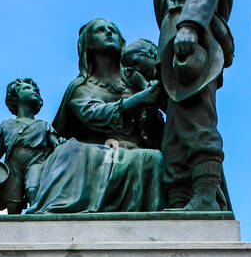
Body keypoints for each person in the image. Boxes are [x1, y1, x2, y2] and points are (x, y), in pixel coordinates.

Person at [26, 18, 165, 215]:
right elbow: (94, 114)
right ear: (89, 43)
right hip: (94, 150)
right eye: (101, 30)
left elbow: (155, 124)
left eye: (113, 30)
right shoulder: (81, 87)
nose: (109, 33)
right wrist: (139, 99)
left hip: (137, 150)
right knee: (72, 152)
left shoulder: (135, 81)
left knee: (156, 158)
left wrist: (145, 91)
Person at [153, 0, 235, 211]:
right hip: (175, 43)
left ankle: (204, 197)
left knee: (197, 119)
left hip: (190, 39)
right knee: (176, 131)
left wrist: (190, 25)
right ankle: (181, 199)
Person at [0, 77, 59, 213]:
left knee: (33, 189)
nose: (33, 90)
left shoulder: (44, 126)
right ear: (15, 98)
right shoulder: (6, 125)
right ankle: (12, 230)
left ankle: (37, 219)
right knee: (12, 202)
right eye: (27, 88)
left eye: (35, 89)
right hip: (13, 168)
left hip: (37, 163)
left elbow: (58, 147)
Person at [121, 38, 166, 150]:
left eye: (136, 62)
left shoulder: (168, 72)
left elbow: (172, 106)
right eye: (131, 68)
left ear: (151, 52)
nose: (137, 70)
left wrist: (144, 85)